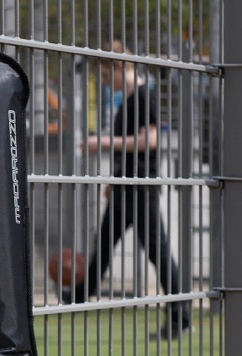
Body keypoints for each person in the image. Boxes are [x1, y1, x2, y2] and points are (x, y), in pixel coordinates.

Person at [75, 42, 188, 340]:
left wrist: (102, 142)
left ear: (119, 67)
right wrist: (113, 181)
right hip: (124, 186)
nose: (104, 82)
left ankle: (180, 318)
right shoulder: (127, 101)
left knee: (158, 252)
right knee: (103, 244)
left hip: (140, 188)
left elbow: (149, 140)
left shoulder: (143, 96)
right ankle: (78, 297)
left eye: (105, 75)